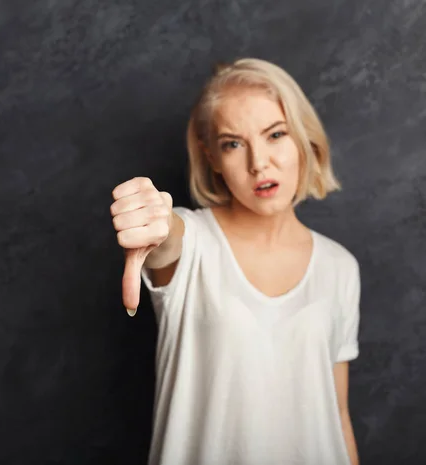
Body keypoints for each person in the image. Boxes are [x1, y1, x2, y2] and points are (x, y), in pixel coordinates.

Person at [109, 58, 361, 465]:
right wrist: (153, 218)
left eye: (275, 134)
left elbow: (339, 416)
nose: (258, 162)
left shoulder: (340, 267)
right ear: (212, 159)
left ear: (304, 139)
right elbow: (167, 238)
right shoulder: (192, 241)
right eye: (233, 143)